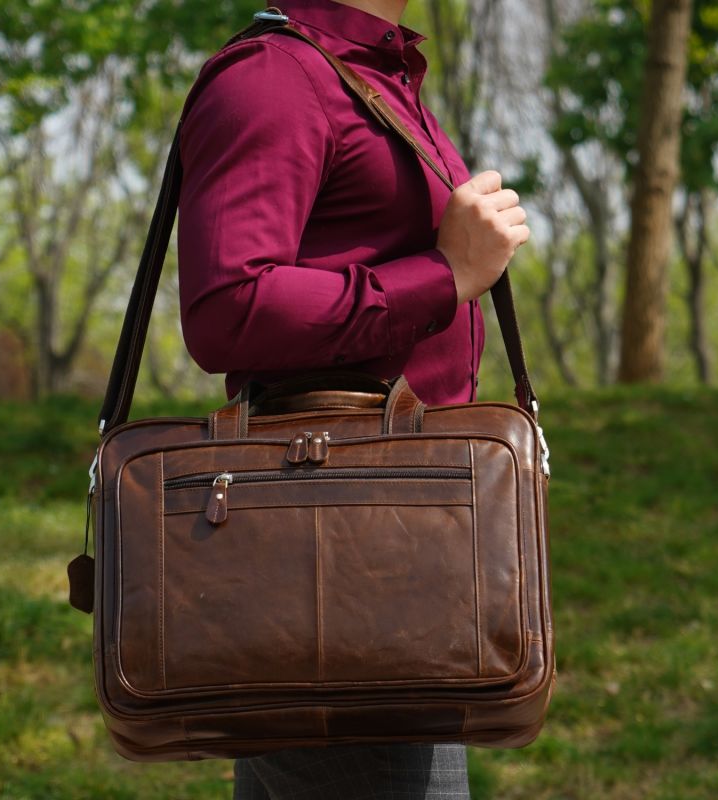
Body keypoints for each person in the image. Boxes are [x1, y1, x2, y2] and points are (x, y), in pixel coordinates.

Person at [177, 0, 529, 797]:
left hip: (397, 548)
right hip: (336, 549)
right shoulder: (274, 77)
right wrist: (444, 276)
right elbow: (226, 308)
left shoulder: (372, 74)